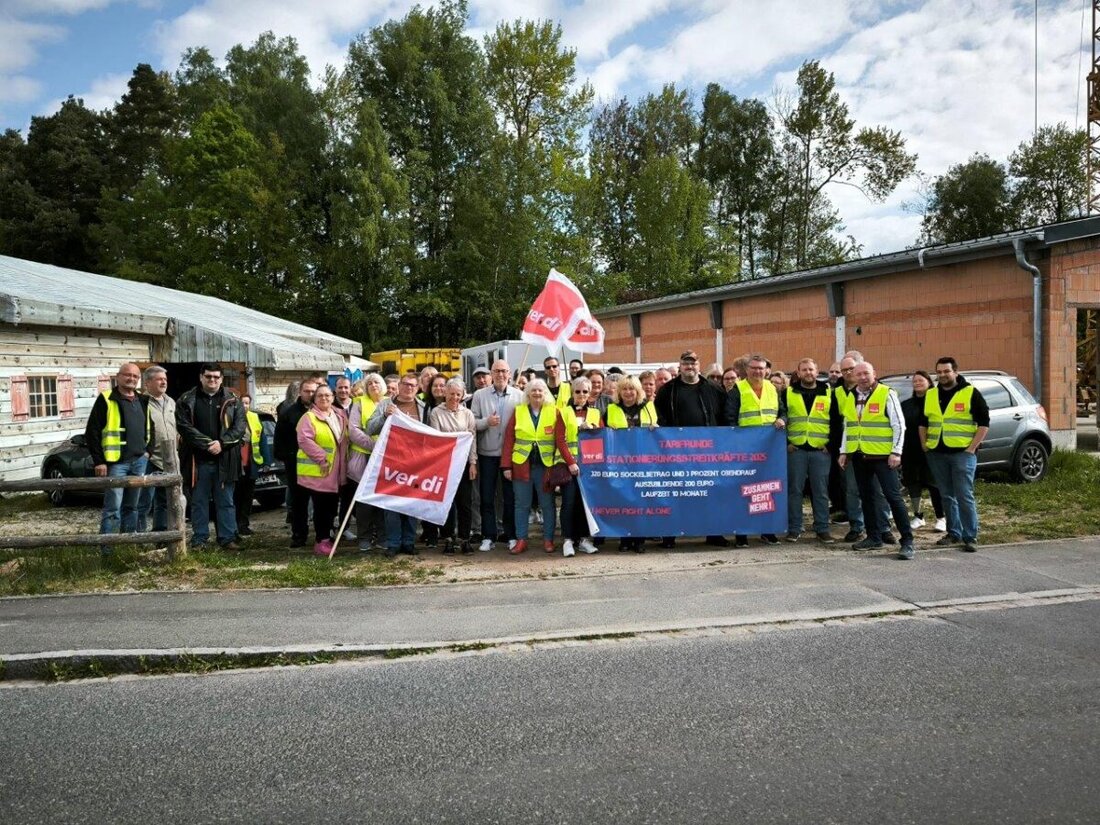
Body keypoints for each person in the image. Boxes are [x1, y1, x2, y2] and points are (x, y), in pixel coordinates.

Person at [837, 362, 915, 560]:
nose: (863, 377)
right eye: (859, 374)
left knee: (893, 497)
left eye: (866, 373)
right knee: (867, 498)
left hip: (883, 457)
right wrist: (844, 451)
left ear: (874, 374)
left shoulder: (886, 393)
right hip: (860, 455)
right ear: (853, 376)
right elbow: (849, 425)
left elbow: (899, 425)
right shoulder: (851, 396)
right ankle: (874, 537)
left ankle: (907, 541)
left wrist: (896, 452)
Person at [654, 350, 728, 548]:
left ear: (698, 365)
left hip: (708, 452)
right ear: (680, 366)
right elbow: (659, 416)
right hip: (676, 452)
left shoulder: (713, 388)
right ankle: (670, 536)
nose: (690, 367)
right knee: (676, 494)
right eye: (686, 363)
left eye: (693, 363)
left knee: (710, 493)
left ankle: (713, 534)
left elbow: (723, 417)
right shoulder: (667, 390)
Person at [920, 357, 990, 553]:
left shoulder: (970, 393)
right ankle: (953, 533)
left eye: (946, 371)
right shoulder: (931, 394)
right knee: (947, 496)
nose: (942, 375)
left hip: (961, 454)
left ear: (955, 372)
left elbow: (984, 423)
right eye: (939, 372)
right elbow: (923, 423)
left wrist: (971, 449)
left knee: (964, 495)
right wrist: (925, 445)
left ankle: (970, 536)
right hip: (937, 453)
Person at [501, 379, 578, 554]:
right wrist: (506, 466)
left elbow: (560, 440)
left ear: (545, 394)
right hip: (521, 464)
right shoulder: (519, 411)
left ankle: (548, 540)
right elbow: (509, 439)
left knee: (547, 505)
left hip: (545, 466)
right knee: (521, 504)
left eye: (540, 390)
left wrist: (570, 461)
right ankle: (521, 540)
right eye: (533, 390)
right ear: (527, 393)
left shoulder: (554, 412)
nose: (537, 393)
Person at [176, 363, 245, 550]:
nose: (212, 380)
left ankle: (227, 538)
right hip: (197, 461)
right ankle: (200, 539)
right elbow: (184, 427)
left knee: (226, 501)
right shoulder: (186, 399)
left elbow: (239, 428)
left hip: (225, 460)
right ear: (201, 377)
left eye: (216, 377)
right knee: (199, 501)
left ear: (221, 379)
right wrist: (208, 444)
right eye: (208, 376)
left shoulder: (233, 400)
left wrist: (221, 444)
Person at [85, 362, 153, 543]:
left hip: (139, 461)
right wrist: (99, 461)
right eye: (128, 375)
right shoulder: (106, 399)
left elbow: (150, 429)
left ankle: (128, 545)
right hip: (116, 463)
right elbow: (92, 432)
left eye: (135, 377)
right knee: (113, 508)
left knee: (132, 507)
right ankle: (108, 548)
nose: (131, 379)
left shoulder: (143, 400)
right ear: (119, 376)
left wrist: (148, 452)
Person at [727, 354, 787, 547]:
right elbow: (729, 417)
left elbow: (784, 412)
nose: (757, 371)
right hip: (745, 451)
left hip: (769, 450)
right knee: (743, 491)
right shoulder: (738, 389)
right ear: (747, 370)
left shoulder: (772, 388)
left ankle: (767, 531)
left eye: (761, 368)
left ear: (766, 370)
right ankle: (742, 534)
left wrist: (782, 420)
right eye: (753, 368)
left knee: (767, 490)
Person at [367, 373, 427, 557]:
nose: (409, 388)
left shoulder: (424, 407)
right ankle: (393, 543)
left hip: (416, 462)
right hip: (391, 461)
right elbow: (370, 428)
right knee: (391, 505)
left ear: (417, 388)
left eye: (413, 385)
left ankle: (408, 542)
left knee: (411, 504)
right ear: (399, 386)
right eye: (405, 384)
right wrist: (384, 416)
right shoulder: (386, 405)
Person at [832, 353, 889, 544]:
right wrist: (840, 450)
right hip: (850, 450)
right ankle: (857, 527)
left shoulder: (879, 391)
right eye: (845, 370)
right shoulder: (837, 392)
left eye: (851, 368)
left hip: (876, 450)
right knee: (852, 490)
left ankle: (884, 528)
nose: (848, 373)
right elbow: (838, 423)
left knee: (878, 491)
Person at [471, 361, 523, 551]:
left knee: (509, 497)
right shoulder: (479, 395)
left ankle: (510, 535)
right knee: (487, 497)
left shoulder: (519, 396)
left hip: (510, 455)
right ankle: (488, 536)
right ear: (491, 374)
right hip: (487, 454)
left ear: (509, 373)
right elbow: (472, 423)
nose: (500, 374)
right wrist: (487, 421)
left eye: (504, 371)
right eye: (497, 371)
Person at [784, 358, 835, 544]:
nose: (808, 373)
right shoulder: (788, 392)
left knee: (820, 491)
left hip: (820, 451)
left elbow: (836, 420)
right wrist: (786, 444)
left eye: (811, 369)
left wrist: (830, 444)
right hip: (795, 450)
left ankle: (822, 529)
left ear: (817, 371)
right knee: (794, 491)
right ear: (798, 372)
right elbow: (781, 418)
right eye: (804, 369)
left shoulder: (828, 392)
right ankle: (794, 528)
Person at [296, 384, 349, 556]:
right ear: (314, 399)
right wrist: (322, 458)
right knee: (321, 508)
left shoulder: (339, 415)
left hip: (336, 473)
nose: (324, 398)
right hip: (320, 472)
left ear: (333, 397)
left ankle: (326, 537)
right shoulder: (309, 417)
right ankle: (321, 541)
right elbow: (304, 440)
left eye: (327, 395)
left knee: (331, 507)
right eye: (320, 396)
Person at [605, 375, 657, 553]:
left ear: (638, 391)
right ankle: (625, 538)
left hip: (643, 463)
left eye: (632, 389)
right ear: (619, 392)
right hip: (620, 463)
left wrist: (656, 429)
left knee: (641, 502)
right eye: (624, 389)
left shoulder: (649, 407)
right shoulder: (611, 409)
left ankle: (639, 539)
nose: (628, 393)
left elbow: (656, 433)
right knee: (623, 501)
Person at [430, 378, 478, 554]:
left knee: (465, 502)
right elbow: (436, 438)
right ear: (445, 393)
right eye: (451, 394)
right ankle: (448, 538)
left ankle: (465, 538)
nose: (455, 397)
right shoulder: (436, 412)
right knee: (447, 503)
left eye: (458, 394)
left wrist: (473, 462)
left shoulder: (468, 414)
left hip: (464, 463)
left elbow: (472, 439)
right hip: (445, 464)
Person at [560, 376, 602, 557]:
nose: (582, 395)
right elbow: (559, 440)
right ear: (572, 392)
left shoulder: (596, 413)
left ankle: (584, 539)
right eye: (578, 391)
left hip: (589, 467)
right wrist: (570, 462)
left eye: (585, 391)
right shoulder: (563, 412)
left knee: (585, 503)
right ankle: (568, 540)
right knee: (568, 502)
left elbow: (602, 438)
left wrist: (593, 429)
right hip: (568, 466)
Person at [901, 370, 946, 533]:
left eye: (921, 380)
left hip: (931, 450)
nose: (918, 383)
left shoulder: (936, 402)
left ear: (929, 382)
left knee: (934, 484)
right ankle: (918, 516)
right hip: (910, 451)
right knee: (913, 484)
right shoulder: (906, 404)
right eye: (915, 381)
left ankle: (941, 517)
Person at [275, 377, 317, 547]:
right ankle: (299, 535)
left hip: (320, 465)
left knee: (321, 502)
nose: (310, 394)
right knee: (299, 502)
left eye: (314, 391)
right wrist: (287, 458)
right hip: (296, 466)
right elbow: (280, 439)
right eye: (307, 391)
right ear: (300, 392)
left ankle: (323, 535)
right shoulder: (289, 413)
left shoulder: (325, 410)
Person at [348, 373, 386, 551]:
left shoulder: (389, 402)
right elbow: (353, 430)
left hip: (385, 457)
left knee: (381, 497)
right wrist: (373, 445)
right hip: (364, 455)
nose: (373, 385)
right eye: (369, 383)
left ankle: (381, 535)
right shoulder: (359, 403)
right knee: (364, 500)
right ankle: (364, 536)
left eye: (376, 382)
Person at [137, 365, 177, 534]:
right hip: (150, 459)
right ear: (148, 383)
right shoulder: (141, 403)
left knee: (164, 501)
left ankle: (160, 535)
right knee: (143, 501)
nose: (164, 382)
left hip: (169, 460)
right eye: (159, 379)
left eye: (165, 379)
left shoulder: (171, 402)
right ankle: (138, 538)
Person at [234, 394, 264, 537]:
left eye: (247, 403)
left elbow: (261, 439)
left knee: (248, 496)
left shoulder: (254, 417)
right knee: (236, 496)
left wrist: (266, 461)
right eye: (242, 403)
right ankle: (234, 525)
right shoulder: (232, 417)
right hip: (236, 464)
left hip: (251, 463)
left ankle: (244, 524)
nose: (245, 406)